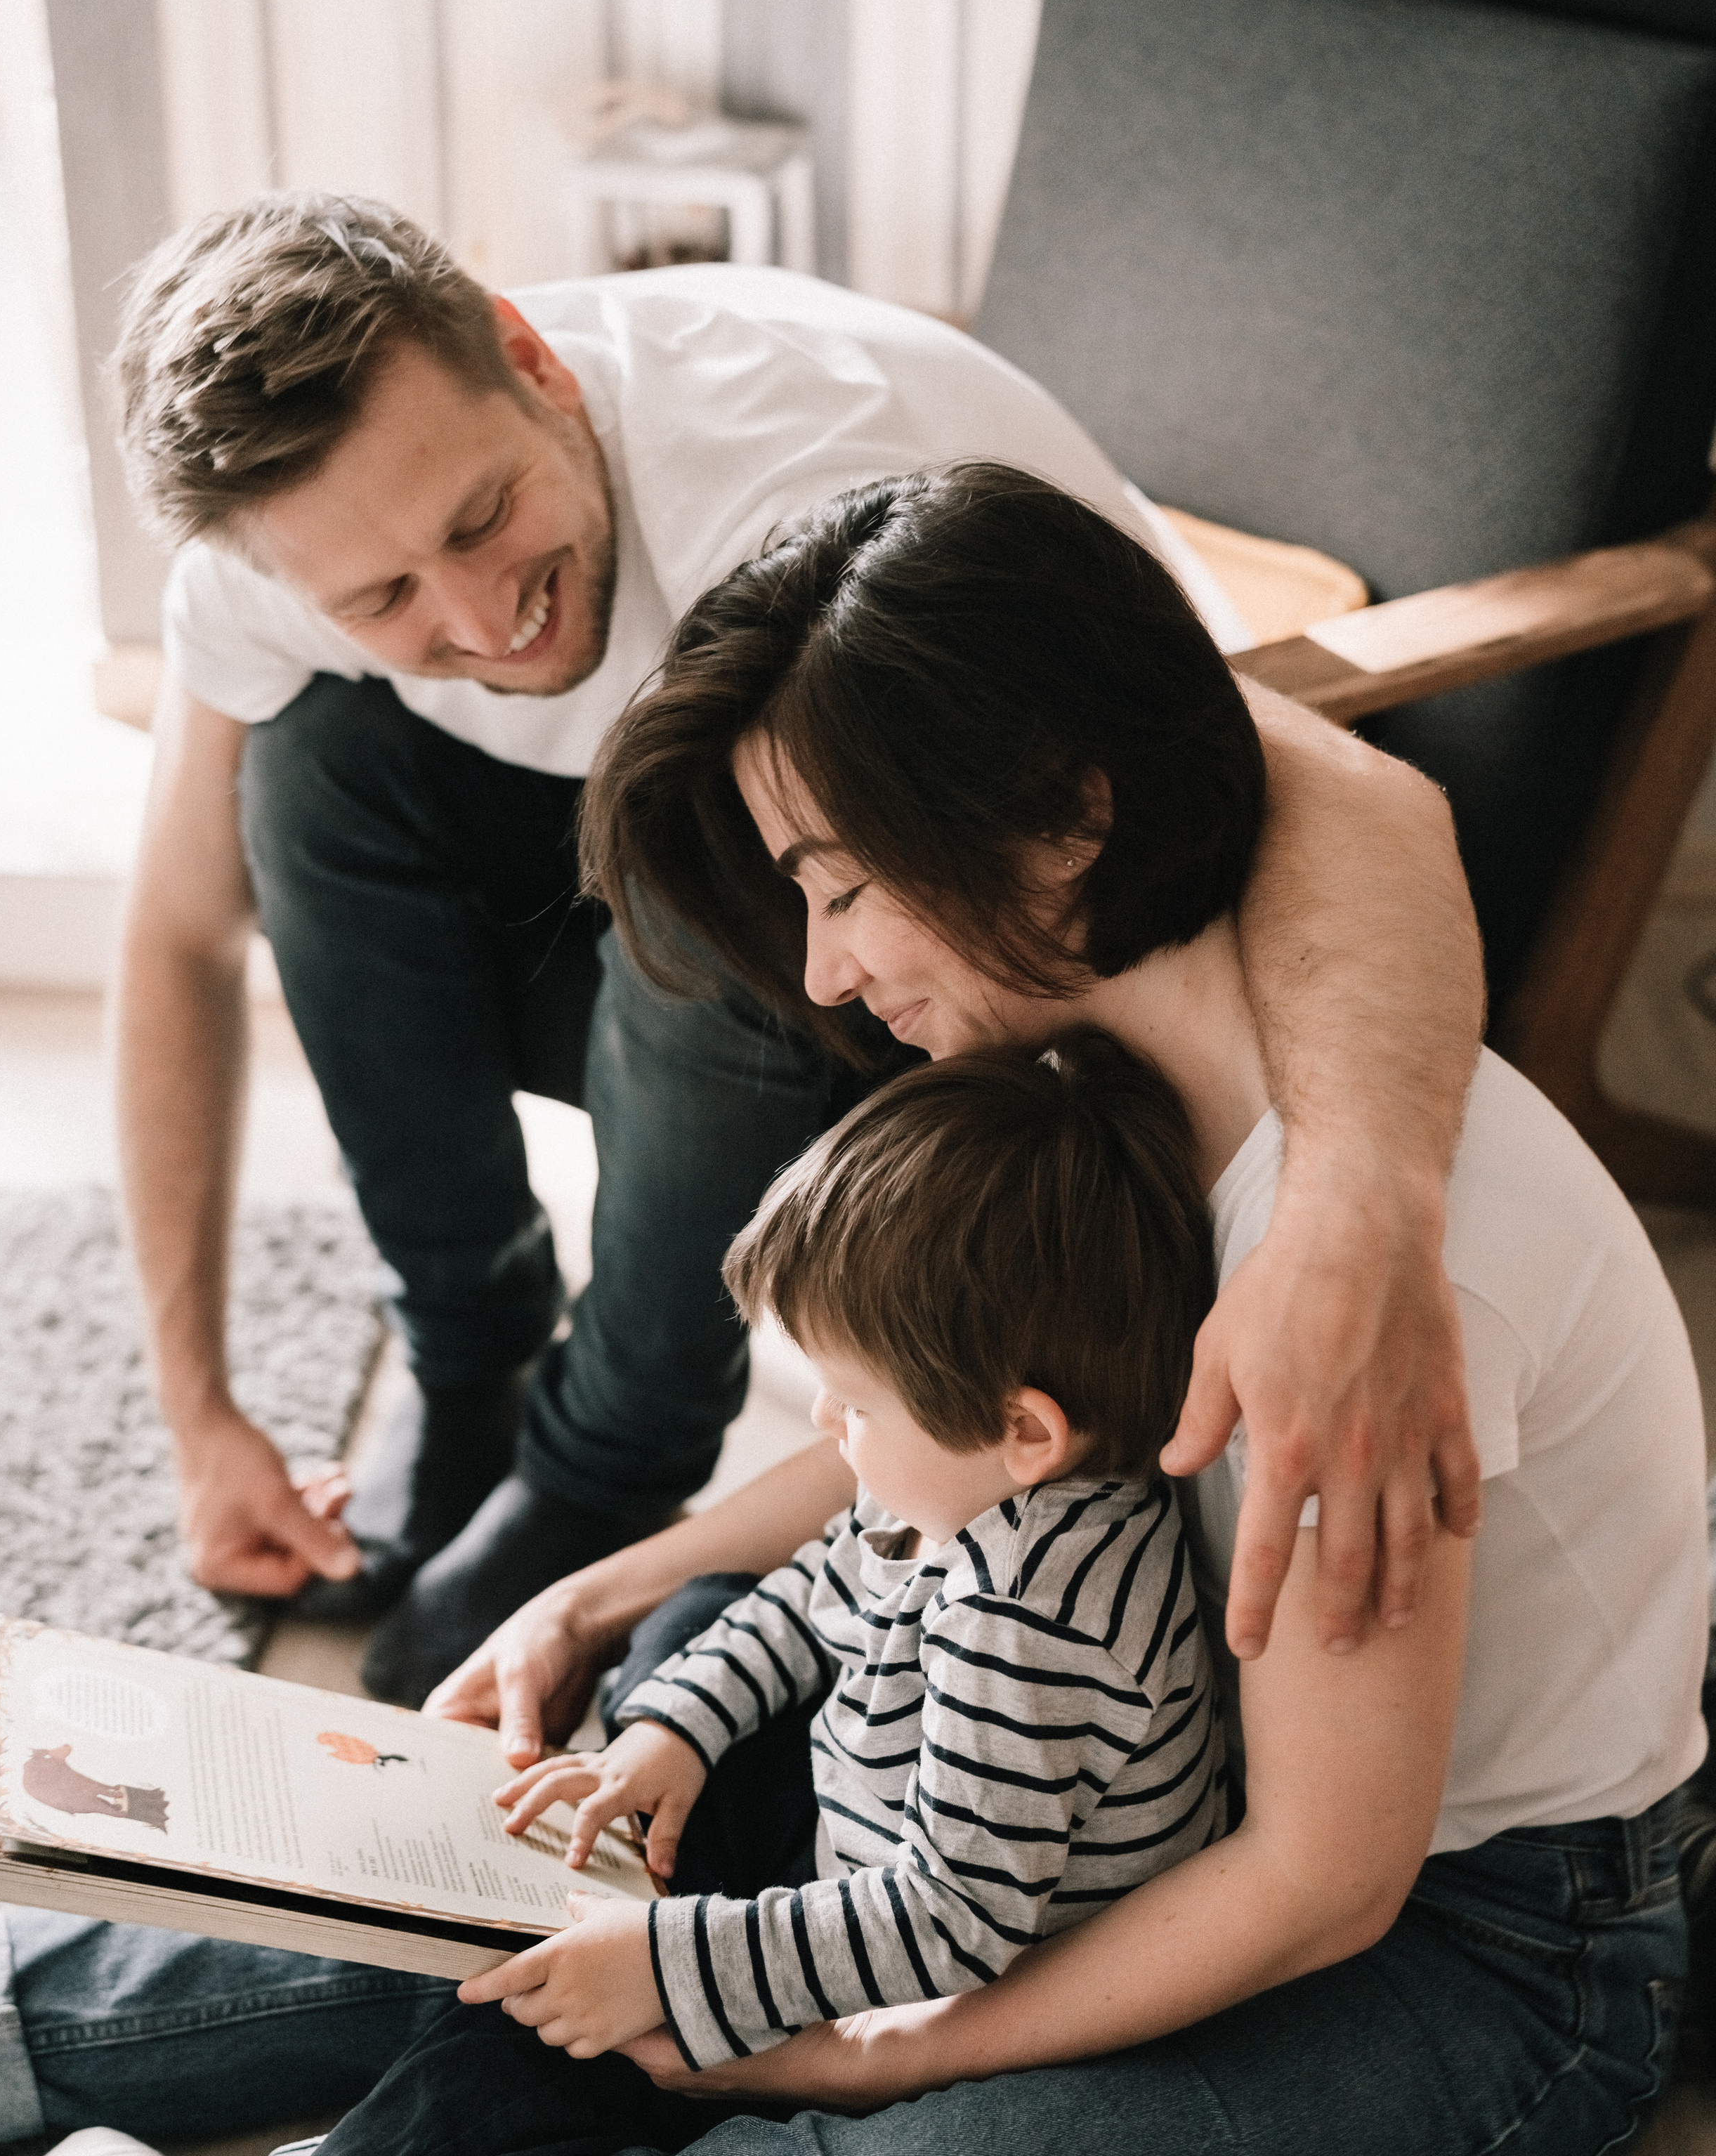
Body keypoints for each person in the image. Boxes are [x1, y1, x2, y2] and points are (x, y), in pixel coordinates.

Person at [0, 464, 1701, 2156]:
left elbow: (1321, 1880)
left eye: (845, 888)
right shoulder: (1079, 1068)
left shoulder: (1390, 1285)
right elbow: (925, 1453)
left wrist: (862, 2059)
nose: (831, 968)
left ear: (1066, 817)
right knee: (634, 1759)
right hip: (1111, 1758)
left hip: (1485, 1933)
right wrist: (613, 1588)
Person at [110, 191, 1487, 1704]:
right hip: (689, 947)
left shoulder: (795, 484)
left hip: (937, 986)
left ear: (532, 359)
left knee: (701, 877)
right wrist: (198, 1411)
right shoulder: (274, 553)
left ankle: (607, 1456)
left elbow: (1356, 799)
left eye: (482, 515)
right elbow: (178, 933)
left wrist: (1357, 1220)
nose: (479, 616)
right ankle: (465, 1354)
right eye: (382, 597)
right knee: (306, 765)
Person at [168, 1030, 1224, 2156]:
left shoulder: (1038, 1625)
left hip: (945, 1967)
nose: (831, 1437)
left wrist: (671, 1967)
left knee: (541, 2025)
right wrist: (675, 1729)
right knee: (582, 1861)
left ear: (1026, 1430)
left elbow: (953, 1921)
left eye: (852, 1405)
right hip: (865, 1838)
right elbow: (803, 1600)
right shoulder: (971, 1495)